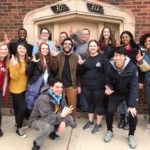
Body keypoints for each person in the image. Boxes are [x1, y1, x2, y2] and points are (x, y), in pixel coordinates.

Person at [104, 46, 138, 149]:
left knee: (132, 114)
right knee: (109, 111)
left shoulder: (132, 67)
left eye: (120, 56)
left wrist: (132, 105)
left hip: (128, 93)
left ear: (124, 57)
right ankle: (109, 131)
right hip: (116, 93)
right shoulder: (110, 66)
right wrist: (108, 88)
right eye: (116, 55)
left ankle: (131, 135)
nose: (117, 58)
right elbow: (108, 80)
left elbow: (134, 87)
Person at [29, 79, 75, 150]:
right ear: (51, 87)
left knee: (70, 119)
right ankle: (37, 143)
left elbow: (64, 109)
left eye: (61, 87)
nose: (60, 89)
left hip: (52, 116)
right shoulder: (43, 98)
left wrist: (62, 121)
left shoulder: (61, 95)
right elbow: (47, 117)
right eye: (57, 87)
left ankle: (51, 132)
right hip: (37, 119)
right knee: (48, 127)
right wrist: (61, 116)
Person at [78, 40, 108, 134]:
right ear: (88, 48)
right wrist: (81, 65)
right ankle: (90, 121)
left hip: (99, 87)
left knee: (99, 105)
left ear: (97, 47)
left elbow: (107, 72)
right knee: (90, 104)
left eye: (94, 46)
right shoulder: (86, 58)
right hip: (87, 86)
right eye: (91, 46)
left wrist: (107, 85)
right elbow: (81, 73)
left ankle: (98, 124)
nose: (92, 47)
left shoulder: (102, 58)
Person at [117, 31, 144, 130]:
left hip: (132, 79)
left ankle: (129, 119)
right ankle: (122, 117)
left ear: (130, 38)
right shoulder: (119, 49)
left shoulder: (136, 49)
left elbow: (140, 65)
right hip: (120, 78)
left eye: (126, 37)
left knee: (129, 100)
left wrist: (140, 81)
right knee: (121, 100)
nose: (124, 39)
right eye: (123, 37)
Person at [50, 37, 79, 120]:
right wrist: (54, 58)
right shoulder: (58, 55)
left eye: (69, 44)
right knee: (58, 104)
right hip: (60, 85)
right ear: (62, 45)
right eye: (65, 44)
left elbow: (78, 73)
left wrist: (79, 85)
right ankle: (59, 119)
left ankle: (71, 120)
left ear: (72, 46)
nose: (67, 46)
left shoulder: (75, 57)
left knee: (72, 105)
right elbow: (53, 69)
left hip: (72, 85)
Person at [25, 42, 53, 115]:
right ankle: (31, 118)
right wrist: (33, 63)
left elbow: (50, 73)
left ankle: (38, 117)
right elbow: (27, 72)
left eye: (47, 48)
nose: (45, 50)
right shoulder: (35, 57)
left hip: (45, 84)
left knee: (42, 102)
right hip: (35, 84)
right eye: (43, 48)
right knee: (33, 102)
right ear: (40, 49)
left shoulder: (49, 58)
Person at [9, 42, 28, 138]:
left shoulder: (26, 60)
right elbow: (14, 77)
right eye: (20, 48)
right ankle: (19, 128)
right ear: (17, 50)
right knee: (22, 108)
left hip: (25, 88)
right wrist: (15, 65)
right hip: (16, 89)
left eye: (24, 48)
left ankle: (17, 123)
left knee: (17, 108)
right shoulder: (13, 60)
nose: (22, 50)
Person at [136, 33, 150, 131]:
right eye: (145, 42)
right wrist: (140, 61)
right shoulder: (144, 55)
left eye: (149, 41)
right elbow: (145, 69)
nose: (147, 43)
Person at [75, 28, 91, 112]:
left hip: (87, 72)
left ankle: (87, 109)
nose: (84, 35)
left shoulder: (90, 45)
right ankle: (83, 107)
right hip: (78, 71)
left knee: (85, 91)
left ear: (89, 36)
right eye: (82, 34)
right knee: (79, 89)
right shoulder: (78, 45)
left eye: (86, 34)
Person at [0, 42, 9, 137]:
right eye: (1, 49)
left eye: (5, 49)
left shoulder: (7, 63)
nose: (3, 51)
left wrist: (4, 93)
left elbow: (6, 79)